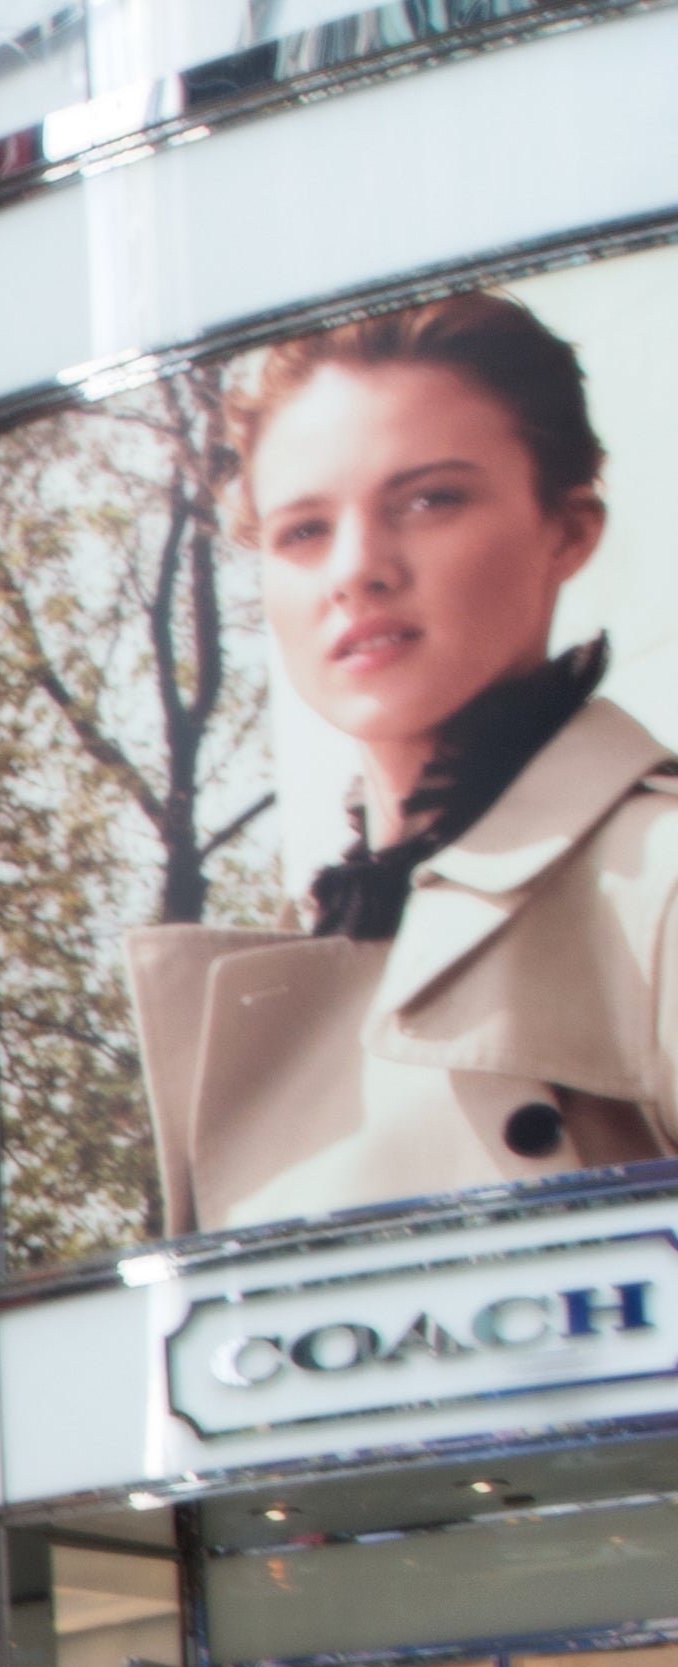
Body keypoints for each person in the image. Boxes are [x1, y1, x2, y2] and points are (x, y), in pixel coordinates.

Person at [130, 291, 676, 1233]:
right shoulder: (320, 946)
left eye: (429, 500)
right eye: (304, 531)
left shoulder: (655, 881)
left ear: (569, 530)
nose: (358, 568)